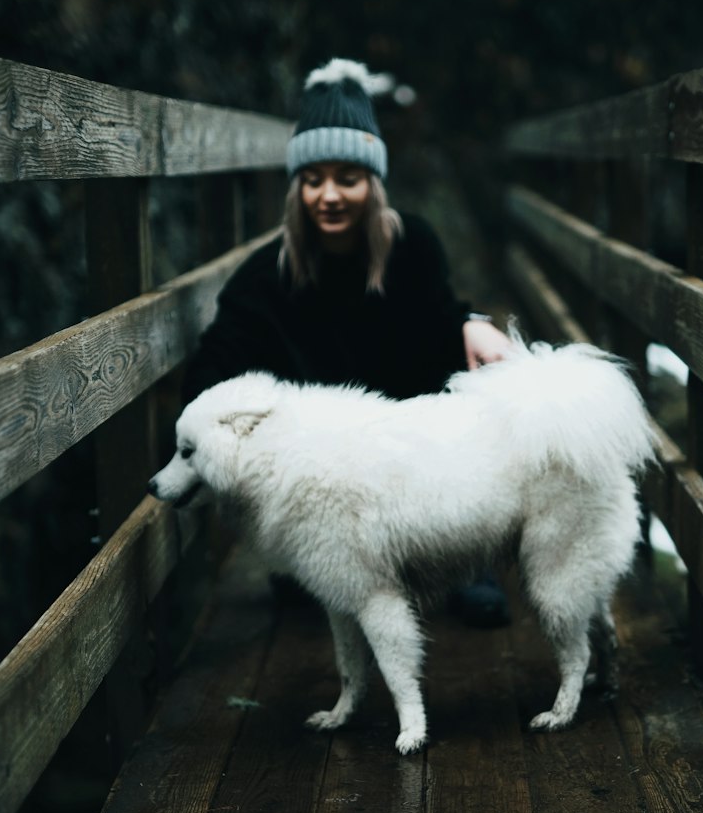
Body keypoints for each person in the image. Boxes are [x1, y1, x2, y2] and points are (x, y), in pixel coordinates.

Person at [183, 57, 513, 626]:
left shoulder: (413, 246)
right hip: (329, 485)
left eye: (348, 178)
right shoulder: (266, 277)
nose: (328, 195)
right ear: (297, 189)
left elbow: (442, 315)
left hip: (412, 468)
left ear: (373, 183)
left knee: (465, 367)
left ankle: (463, 556)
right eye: (312, 180)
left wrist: (471, 320)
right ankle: (320, 564)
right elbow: (210, 379)